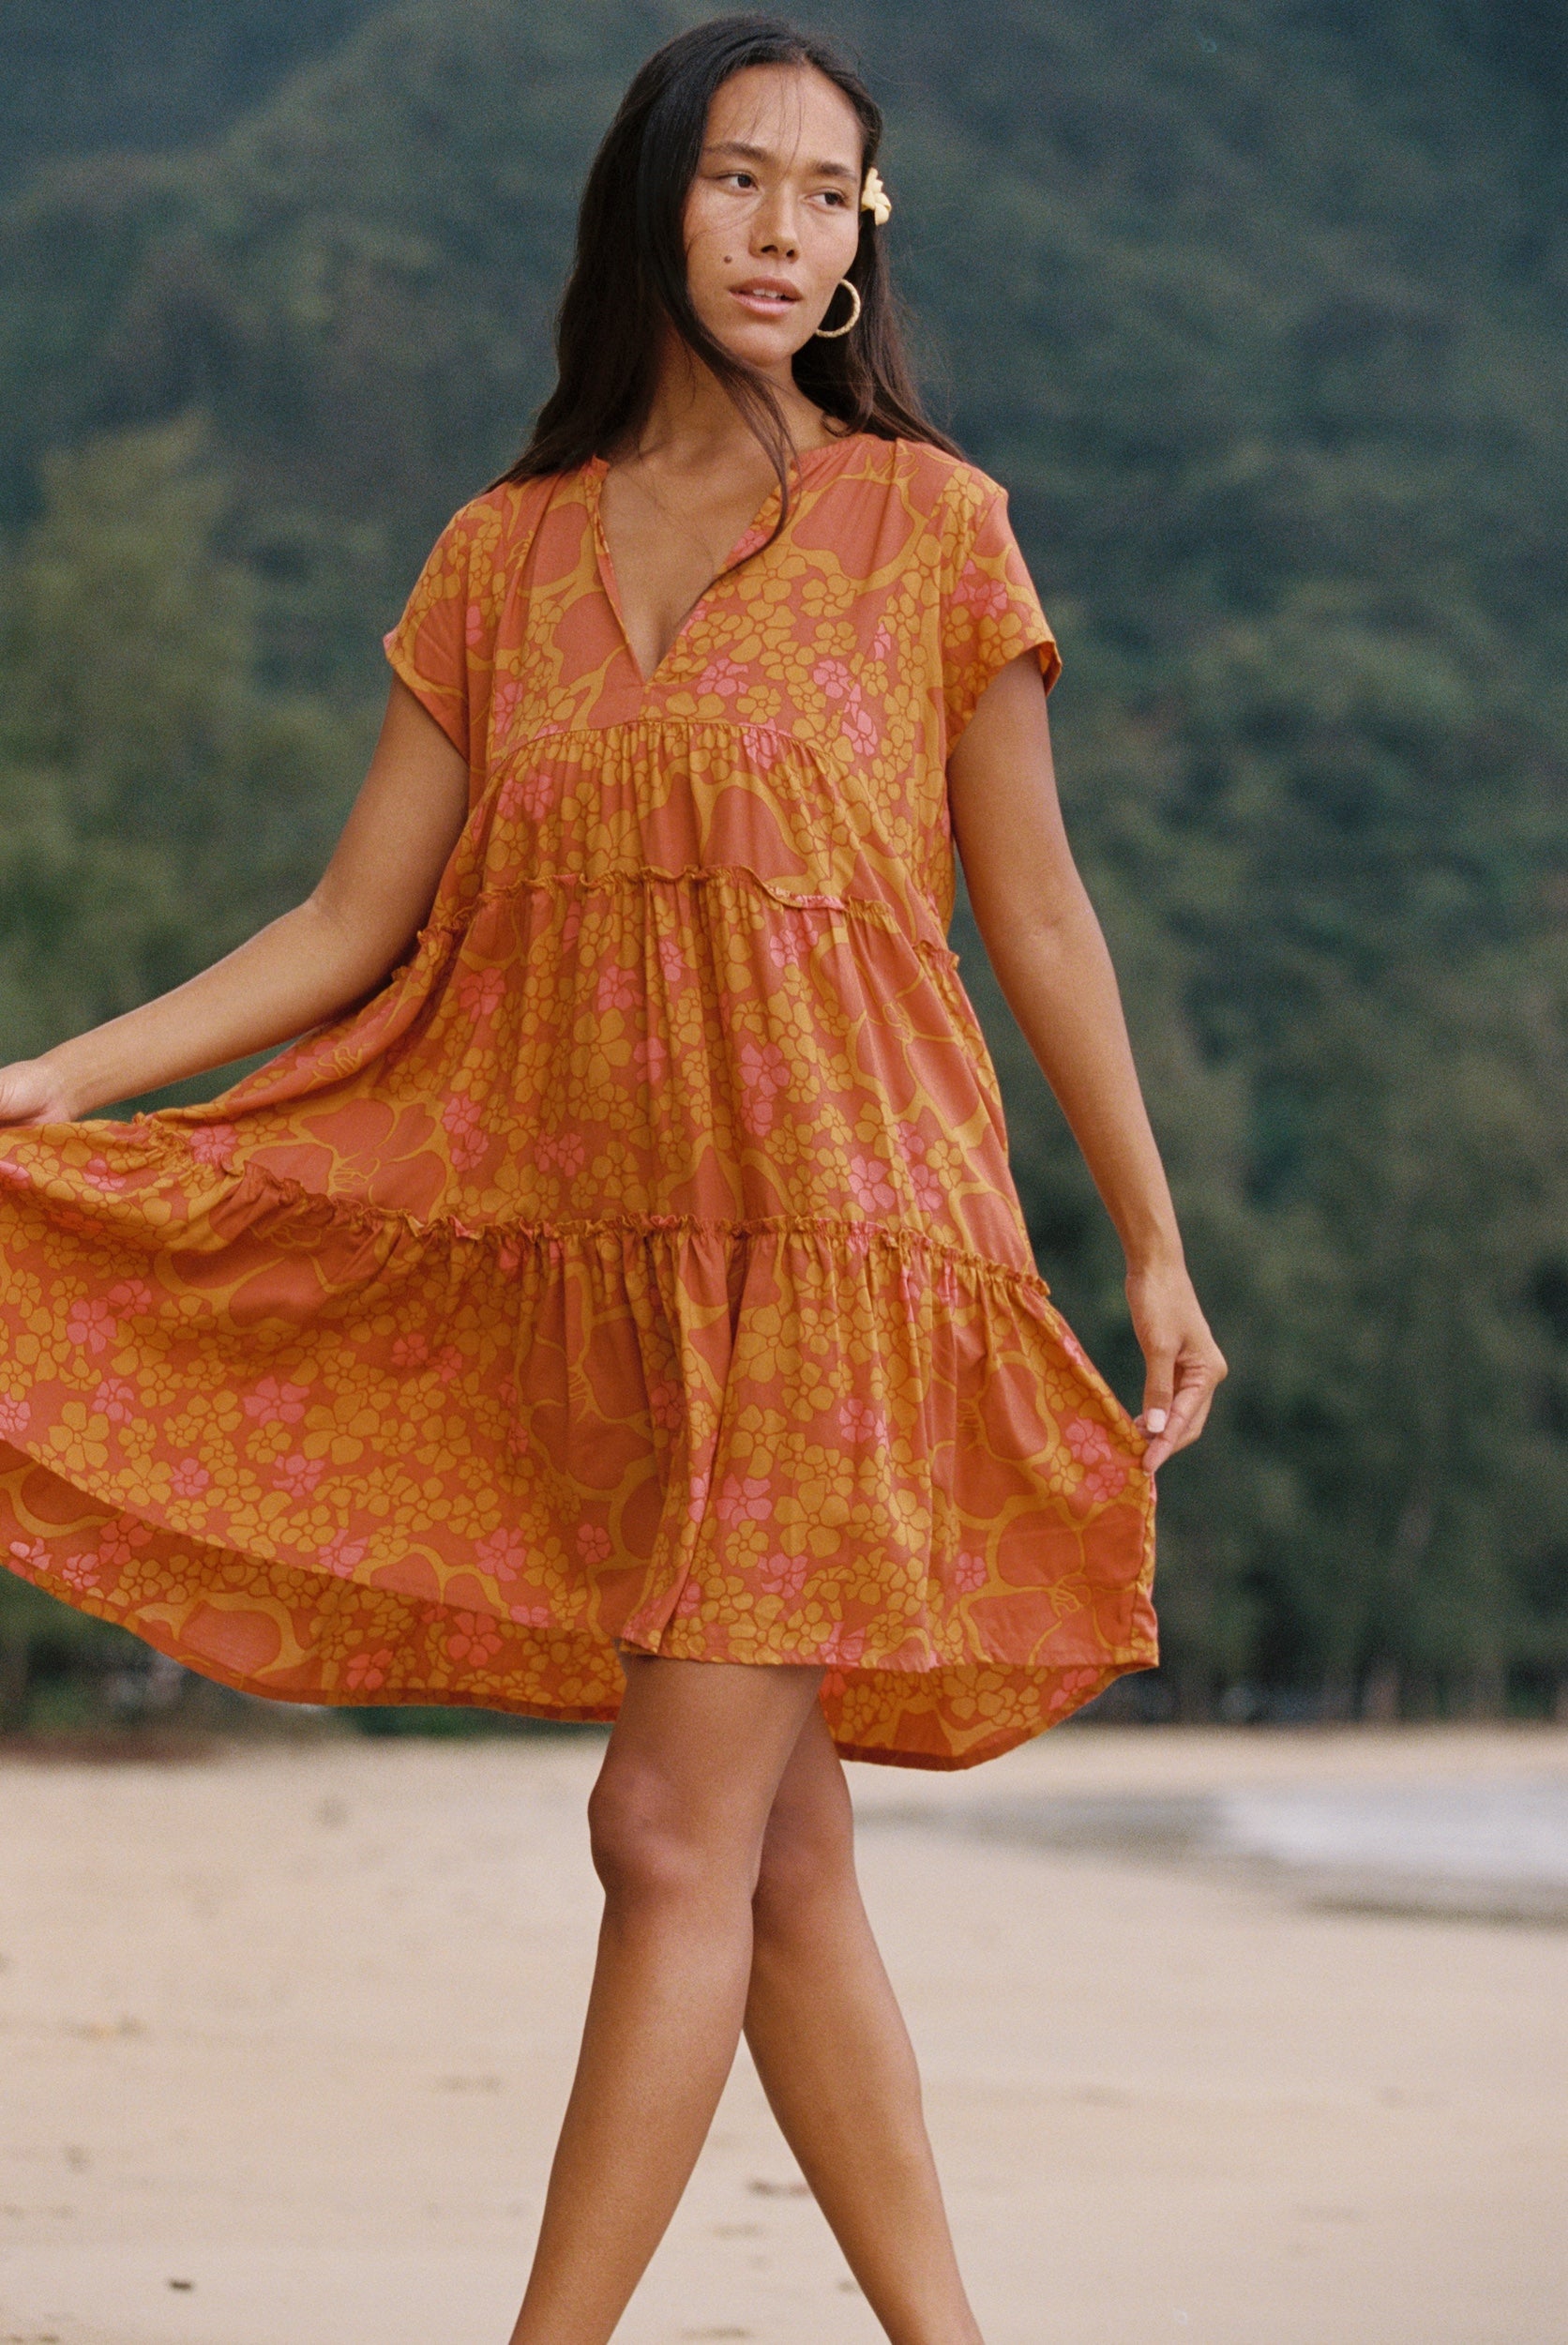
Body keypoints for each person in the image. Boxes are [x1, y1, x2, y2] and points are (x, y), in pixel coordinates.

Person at [0, 16, 1225, 2342]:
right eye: (738, 177)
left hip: (847, 1244)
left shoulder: (930, 527)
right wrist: (57, 1073)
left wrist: (1150, 1245)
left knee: (660, 1827)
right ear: (650, 200)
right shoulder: (500, 553)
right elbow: (346, 922)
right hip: (621, 1268)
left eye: (826, 192)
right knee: (775, 1853)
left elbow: (1042, 916)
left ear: (864, 240)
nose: (781, 231)